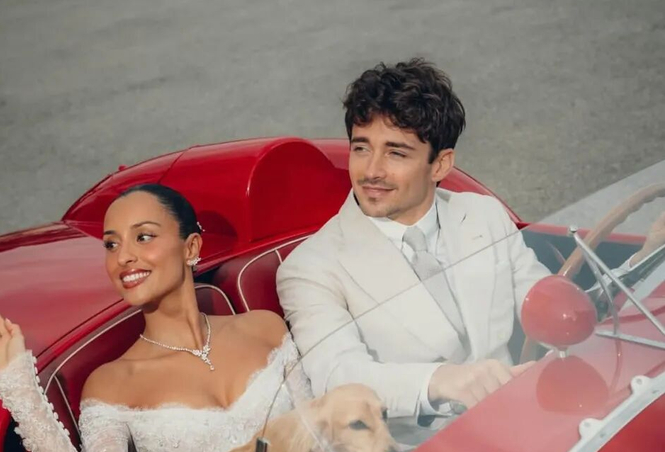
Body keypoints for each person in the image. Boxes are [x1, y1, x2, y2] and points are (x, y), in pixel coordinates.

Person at [276, 59, 661, 421]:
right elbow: (337, 376)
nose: (371, 170)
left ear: (440, 164)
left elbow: (552, 309)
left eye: (396, 153)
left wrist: (643, 258)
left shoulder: (483, 215)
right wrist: (443, 381)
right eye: (361, 148)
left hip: (526, 415)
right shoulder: (310, 266)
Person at [0, 184, 312, 452]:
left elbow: (322, 432)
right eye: (111, 244)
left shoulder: (264, 328)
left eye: (143, 237)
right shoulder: (112, 384)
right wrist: (21, 391)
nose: (123, 257)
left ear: (191, 248)